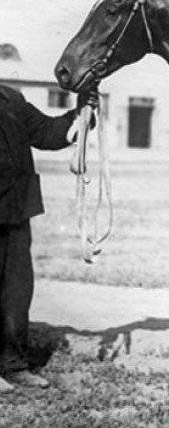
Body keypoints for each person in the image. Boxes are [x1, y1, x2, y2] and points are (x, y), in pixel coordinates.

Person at [0, 83, 91, 392]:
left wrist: (79, 115)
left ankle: (13, 365)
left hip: (14, 209)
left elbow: (45, 132)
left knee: (17, 291)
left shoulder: (10, 98)